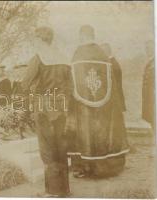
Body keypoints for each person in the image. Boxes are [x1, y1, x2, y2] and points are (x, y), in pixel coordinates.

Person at [67, 25, 129, 178]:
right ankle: (107, 168)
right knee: (104, 131)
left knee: (85, 133)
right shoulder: (102, 54)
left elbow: (72, 82)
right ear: (93, 35)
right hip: (105, 105)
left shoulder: (78, 54)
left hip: (82, 106)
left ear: (81, 36)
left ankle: (84, 168)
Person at [22, 26, 72, 197]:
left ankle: (53, 191)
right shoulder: (64, 58)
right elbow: (70, 86)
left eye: (35, 38)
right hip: (62, 109)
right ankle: (64, 189)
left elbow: (24, 84)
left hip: (44, 108)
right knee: (61, 147)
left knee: (47, 149)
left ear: (40, 40)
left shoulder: (38, 59)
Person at [142, 40, 155, 130]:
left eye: (150, 48)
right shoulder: (150, 62)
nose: (147, 51)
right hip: (149, 96)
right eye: (146, 48)